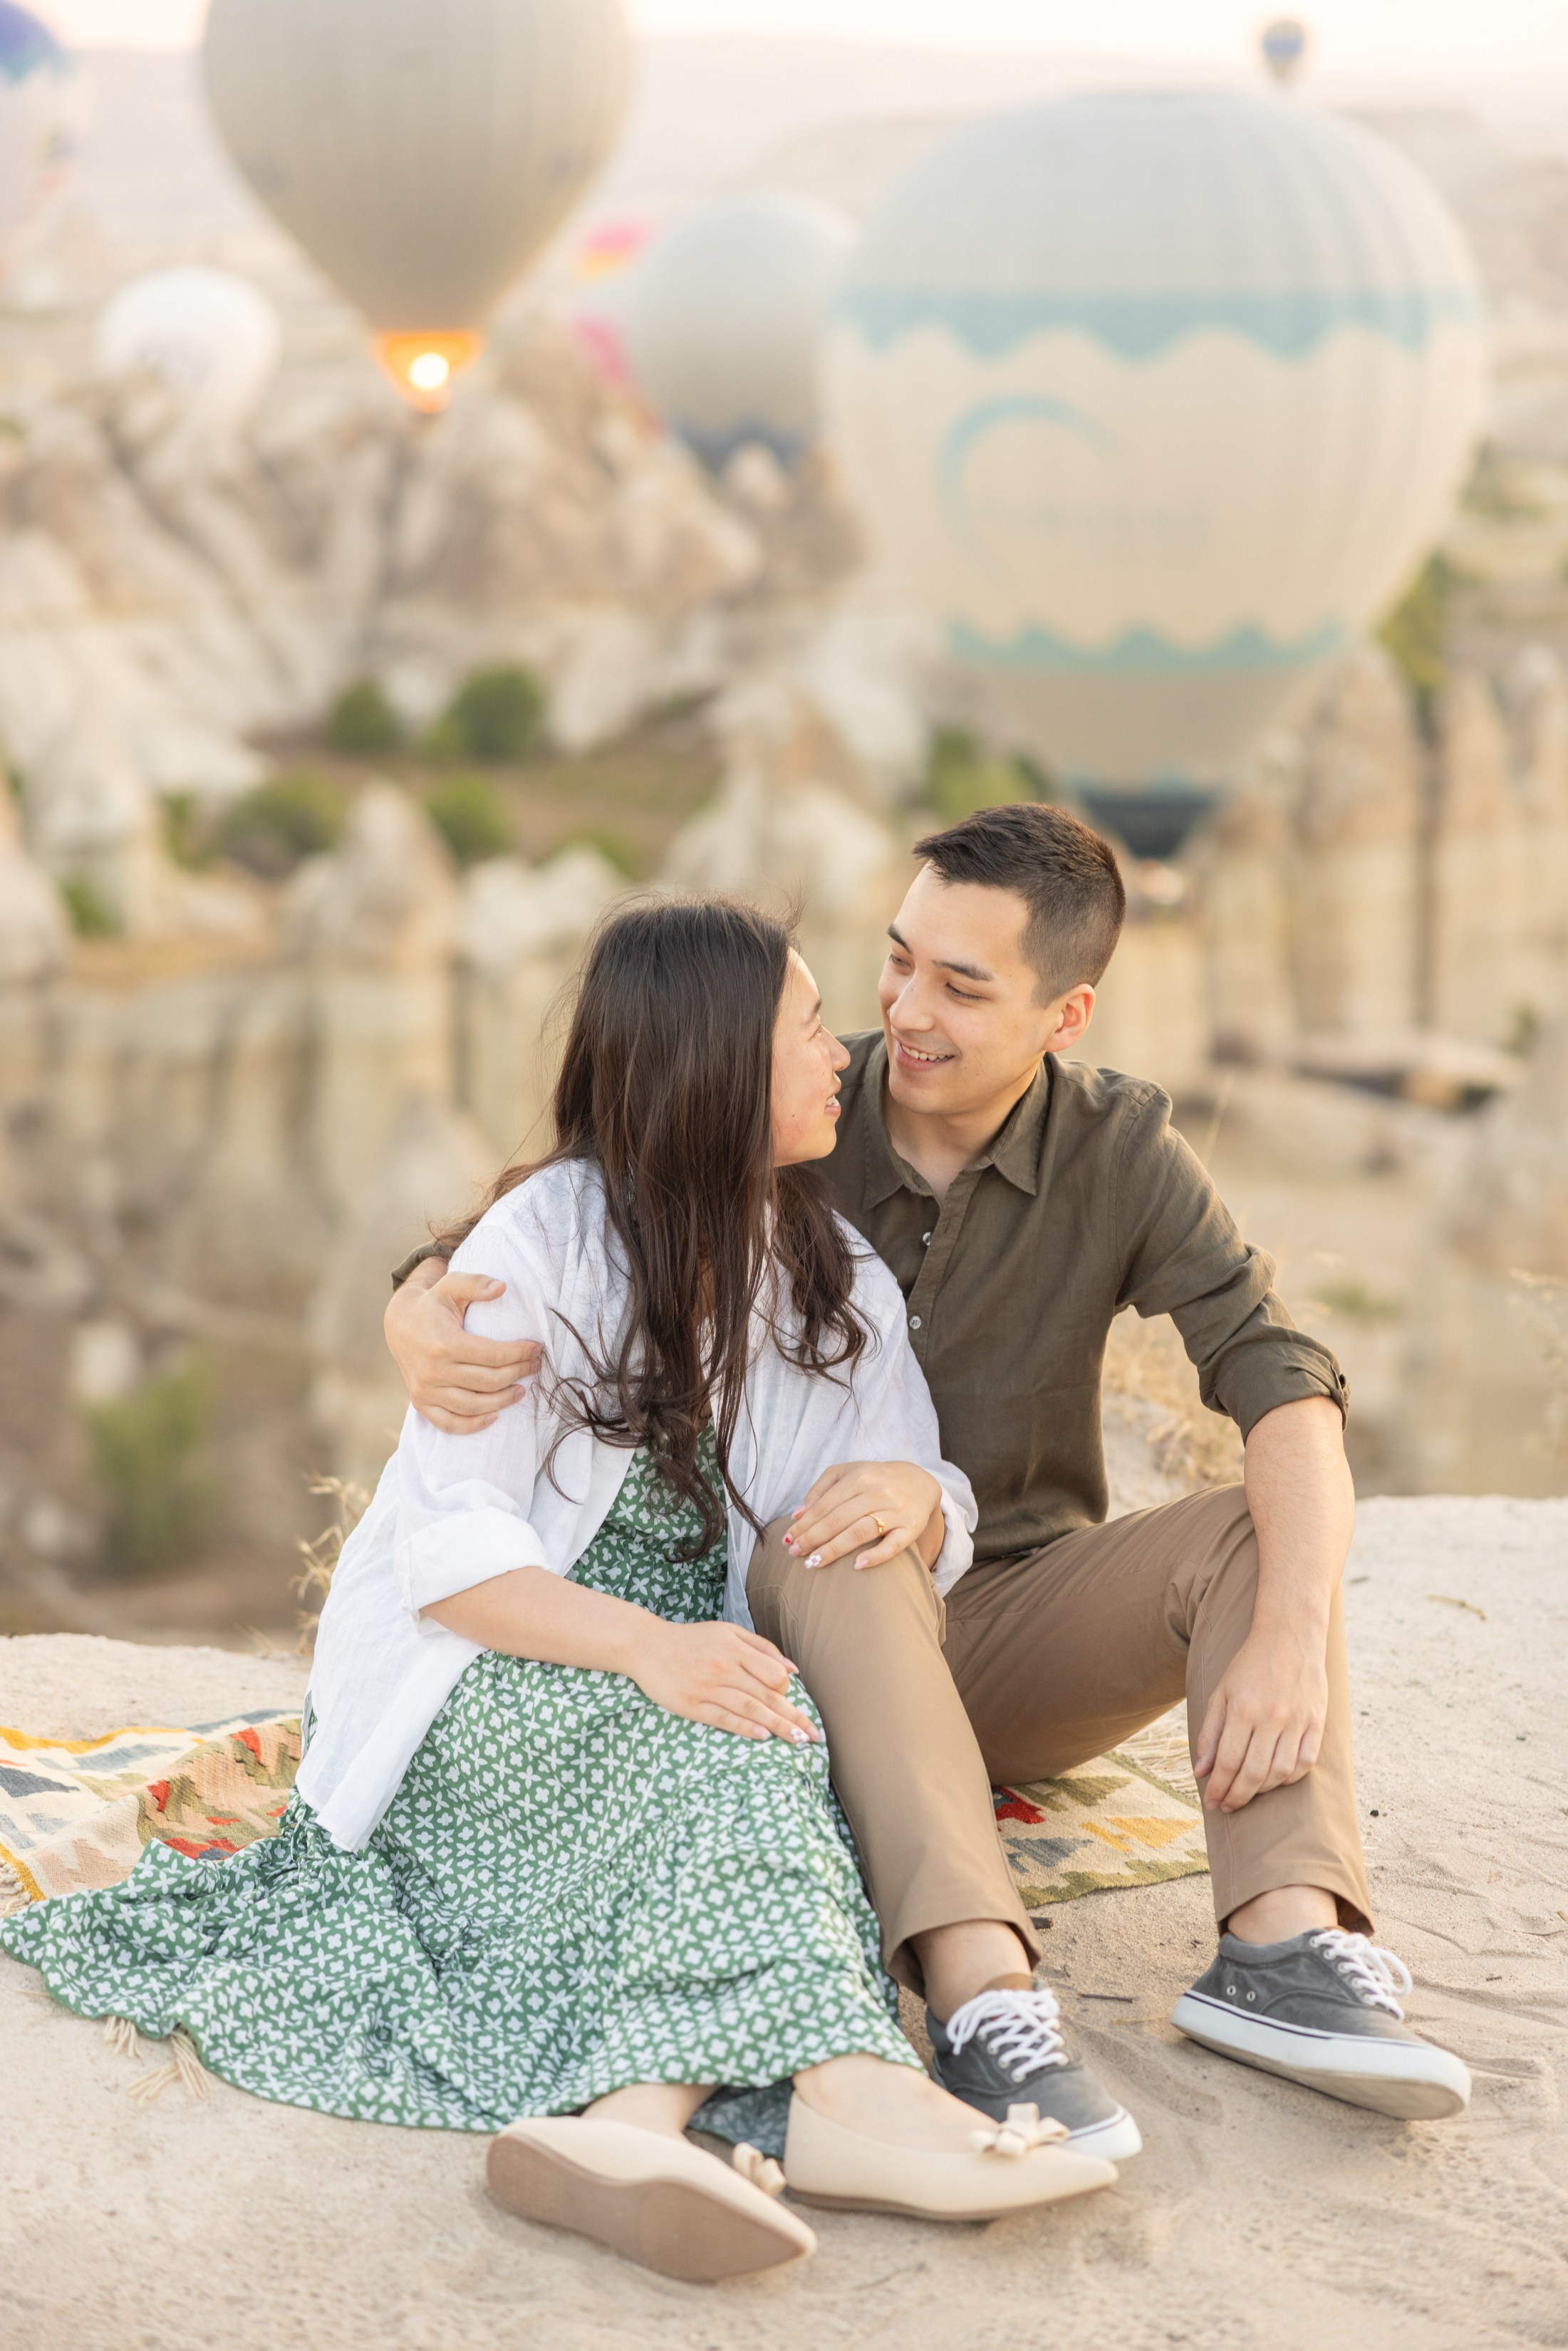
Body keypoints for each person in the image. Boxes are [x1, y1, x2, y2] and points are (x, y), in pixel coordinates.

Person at [0, 897, 1117, 2285]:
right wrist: (652, 1650)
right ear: (715, 1068)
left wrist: (922, 1497)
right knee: (730, 1725)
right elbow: (451, 1563)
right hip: (493, 1665)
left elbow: (905, 1483)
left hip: (674, 1662)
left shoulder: (830, 1279)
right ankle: (847, 2096)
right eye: (807, 1030)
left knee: (755, 1717)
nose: (845, 1054)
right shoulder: (540, 1244)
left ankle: (637, 2126)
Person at [388, 804, 1473, 2147]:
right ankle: (982, 2006)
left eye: (961, 986)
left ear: (1063, 1017)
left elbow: (1277, 1371)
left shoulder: (1121, 1154)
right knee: (832, 1537)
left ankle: (1284, 1945)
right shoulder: (792, 1102)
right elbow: (579, 1202)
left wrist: (1293, 1638)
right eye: (899, 960)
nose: (905, 1009)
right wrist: (419, 1301)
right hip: (793, 1624)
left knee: (1251, 1541)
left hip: (1005, 1622)